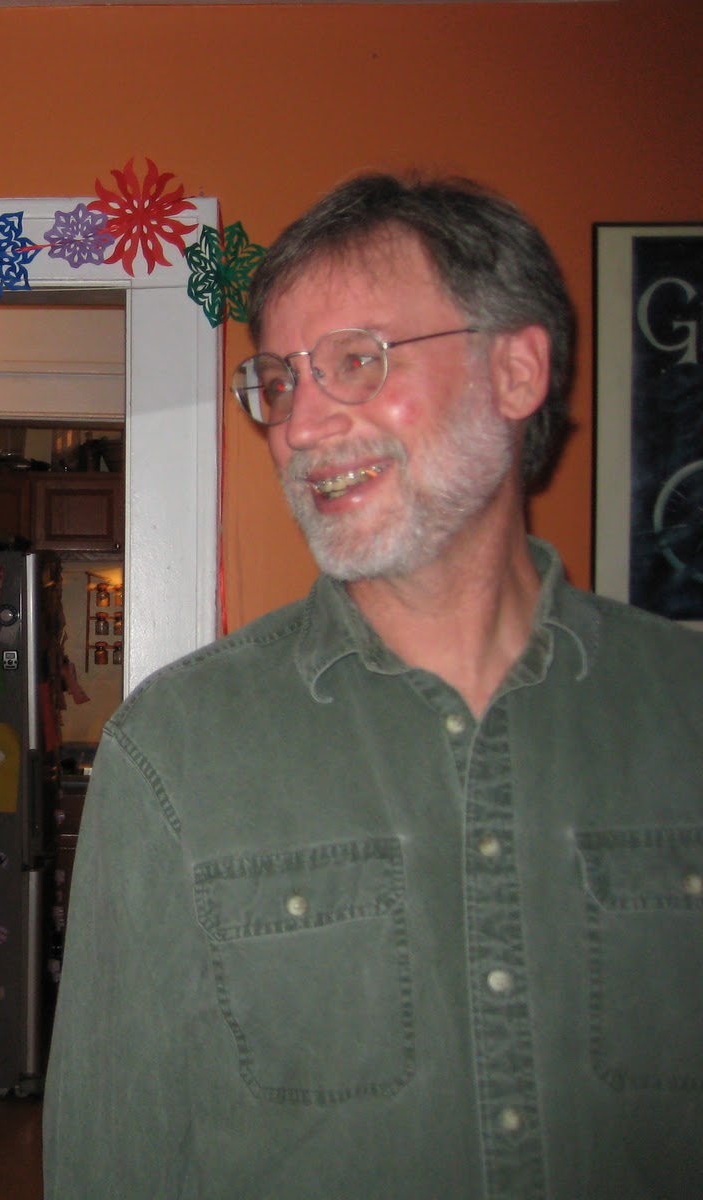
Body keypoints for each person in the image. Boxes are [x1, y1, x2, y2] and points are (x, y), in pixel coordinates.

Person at [43, 174, 703, 1198]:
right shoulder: (173, 753)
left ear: (516, 370)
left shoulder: (683, 715)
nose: (302, 425)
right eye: (279, 381)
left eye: (357, 360)